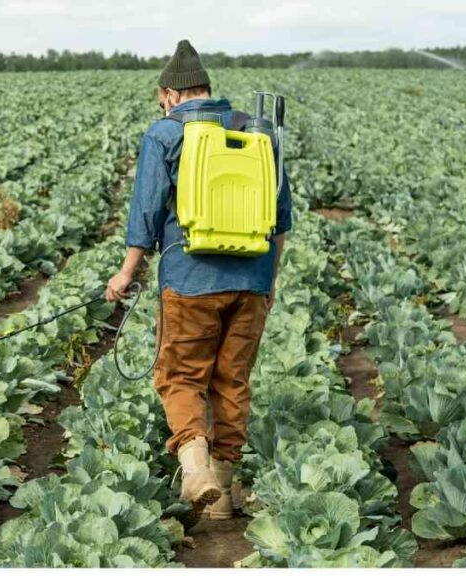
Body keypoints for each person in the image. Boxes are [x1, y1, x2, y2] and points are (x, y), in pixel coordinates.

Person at [105, 39, 293, 525]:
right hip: (251, 280)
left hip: (190, 280)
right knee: (232, 382)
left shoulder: (166, 134)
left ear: (169, 93)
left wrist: (127, 273)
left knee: (182, 375)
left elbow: (145, 214)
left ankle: (196, 470)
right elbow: (282, 221)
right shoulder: (257, 132)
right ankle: (225, 494)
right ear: (208, 89)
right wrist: (266, 284)